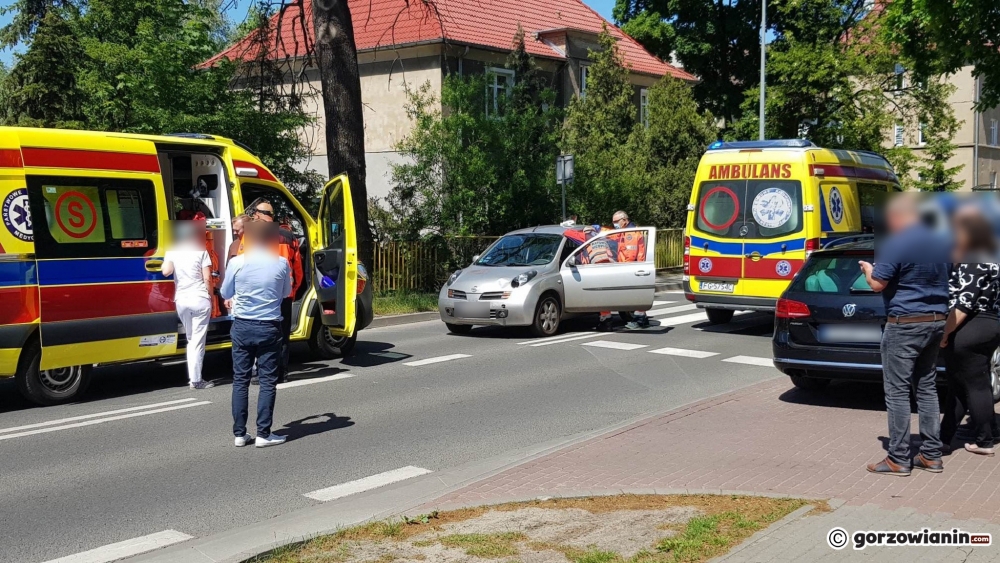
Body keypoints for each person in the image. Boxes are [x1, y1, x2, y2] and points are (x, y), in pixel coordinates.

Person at [859, 194, 951, 476]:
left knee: (897, 391)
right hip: (936, 320)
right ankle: (931, 455)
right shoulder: (941, 241)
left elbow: (877, 284)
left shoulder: (898, 241)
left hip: (905, 323)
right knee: (926, 387)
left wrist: (867, 270)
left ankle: (899, 457)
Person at [221, 221, 292, 448]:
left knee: (240, 380)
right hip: (269, 326)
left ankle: (240, 434)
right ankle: (264, 433)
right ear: (271, 239)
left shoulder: (237, 262)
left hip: (242, 325)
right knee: (267, 381)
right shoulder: (281, 263)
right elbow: (286, 293)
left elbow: (225, 292)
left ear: (248, 238)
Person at [940, 208, 1000, 456]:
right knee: (961, 383)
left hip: (971, 324)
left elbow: (963, 303)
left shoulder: (974, 257)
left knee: (975, 384)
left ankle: (985, 439)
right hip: (991, 322)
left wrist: (945, 333)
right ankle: (943, 437)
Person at [245, 200, 303, 385]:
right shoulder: (289, 236)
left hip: (264, 294)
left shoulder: (255, 234)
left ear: (260, 215)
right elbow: (298, 268)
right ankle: (282, 373)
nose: (254, 216)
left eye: (255, 213)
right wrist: (292, 290)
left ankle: (264, 374)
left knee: (265, 333)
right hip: (285, 294)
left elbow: (248, 265)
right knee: (282, 334)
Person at [162, 222, 215, 390]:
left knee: (191, 339)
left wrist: (167, 257)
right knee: (197, 342)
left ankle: (194, 378)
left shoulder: (172, 251)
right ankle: (196, 380)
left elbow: (166, 271)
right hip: (199, 298)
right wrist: (211, 297)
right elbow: (207, 278)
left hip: (182, 300)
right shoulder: (201, 251)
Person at [597, 211, 649, 332]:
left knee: (634, 295)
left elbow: (629, 255)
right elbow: (612, 235)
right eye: (613, 222)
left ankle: (639, 320)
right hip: (633, 267)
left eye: (616, 222)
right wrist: (599, 229)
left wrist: (622, 270)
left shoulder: (630, 234)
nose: (614, 224)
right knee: (636, 294)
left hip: (631, 267)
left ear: (624, 220)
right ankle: (642, 318)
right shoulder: (625, 232)